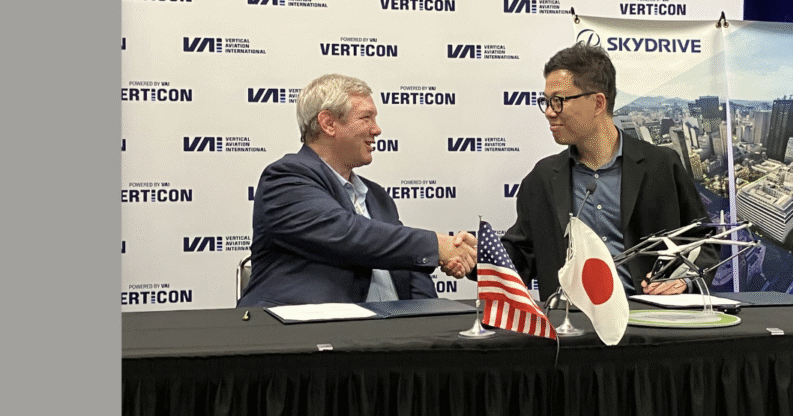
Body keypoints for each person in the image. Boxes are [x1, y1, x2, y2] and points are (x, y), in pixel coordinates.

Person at [500, 43, 719, 300]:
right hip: (571, 329)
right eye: (546, 102)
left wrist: (684, 279)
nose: (549, 112)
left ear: (597, 103)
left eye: (558, 101)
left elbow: (703, 242)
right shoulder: (543, 178)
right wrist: (471, 256)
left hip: (650, 323)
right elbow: (521, 257)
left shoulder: (662, 166)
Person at [237, 74, 476, 308]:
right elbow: (347, 234)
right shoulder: (286, 178)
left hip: (391, 338)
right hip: (307, 336)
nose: (377, 129)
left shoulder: (377, 196)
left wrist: (429, 322)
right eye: (366, 118)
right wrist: (435, 245)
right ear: (328, 123)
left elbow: (409, 270)